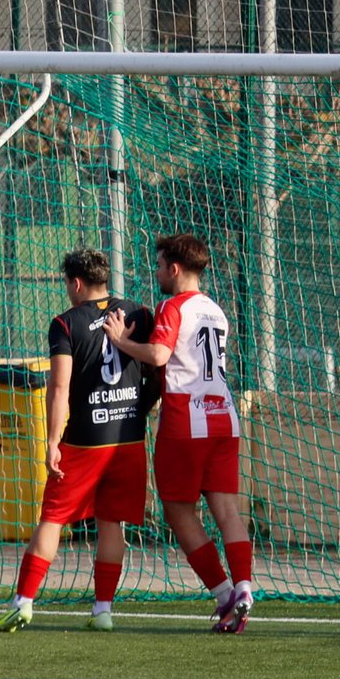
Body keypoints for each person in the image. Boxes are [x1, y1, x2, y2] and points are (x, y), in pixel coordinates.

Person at [0, 249, 156, 634]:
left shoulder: (65, 323)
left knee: (52, 519)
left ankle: (23, 602)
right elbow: (155, 369)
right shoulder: (138, 313)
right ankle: (103, 610)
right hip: (128, 437)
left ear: (77, 283)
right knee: (112, 523)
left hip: (85, 441)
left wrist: (52, 442)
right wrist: (141, 410)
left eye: (67, 283)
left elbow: (59, 387)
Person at [103, 233, 256, 633]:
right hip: (224, 416)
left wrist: (120, 340)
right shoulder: (216, 311)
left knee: (176, 510)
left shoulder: (173, 306)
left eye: (158, 266)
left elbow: (159, 355)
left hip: (187, 420)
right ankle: (244, 587)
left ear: (173, 269)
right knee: (227, 511)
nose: (156, 272)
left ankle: (223, 593)